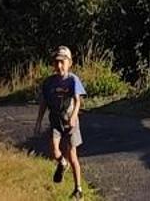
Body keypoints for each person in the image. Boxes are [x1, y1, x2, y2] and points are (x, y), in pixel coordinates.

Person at [37, 45, 87, 197]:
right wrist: (39, 121)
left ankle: (78, 189)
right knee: (54, 149)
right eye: (56, 62)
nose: (59, 66)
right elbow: (44, 103)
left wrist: (73, 117)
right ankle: (61, 163)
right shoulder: (49, 83)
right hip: (55, 120)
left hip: (70, 121)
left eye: (62, 62)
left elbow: (78, 101)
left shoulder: (73, 80)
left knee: (73, 156)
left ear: (69, 63)